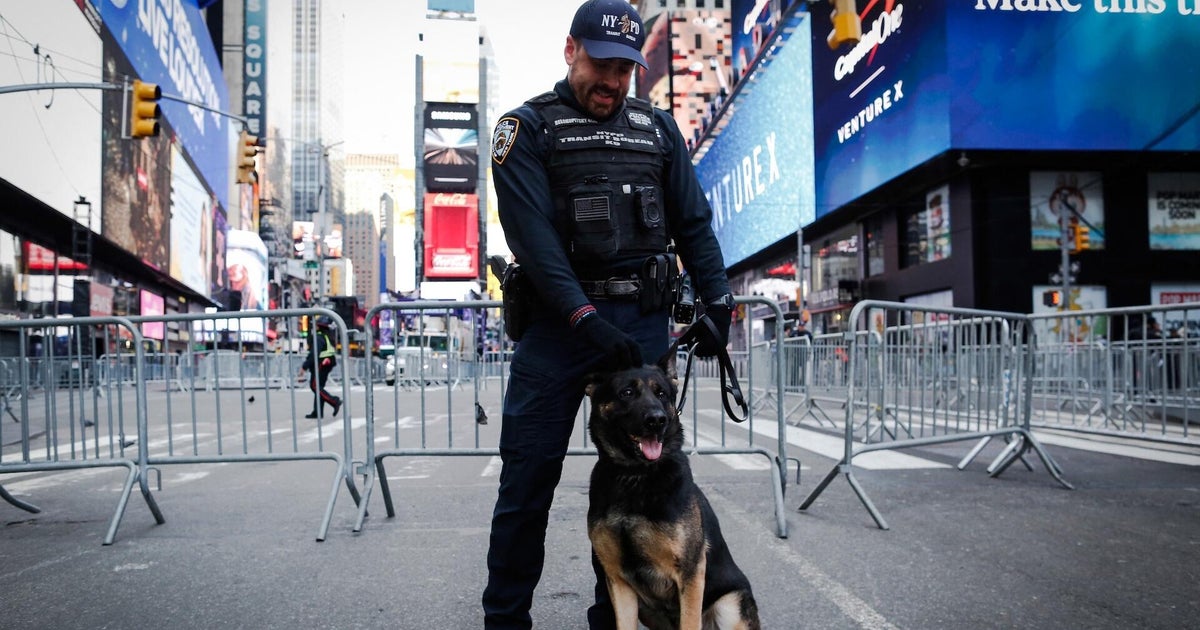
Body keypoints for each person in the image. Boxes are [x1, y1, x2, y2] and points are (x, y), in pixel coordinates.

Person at [482, 1, 733, 627]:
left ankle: (611, 620)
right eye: (601, 64)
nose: (612, 82)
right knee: (525, 486)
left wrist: (719, 300)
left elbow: (694, 224)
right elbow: (533, 242)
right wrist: (584, 319)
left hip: (643, 329)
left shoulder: (657, 130)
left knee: (643, 487)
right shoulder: (526, 129)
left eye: (625, 69)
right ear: (571, 51)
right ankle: (505, 620)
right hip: (557, 330)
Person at [297, 315, 341, 419]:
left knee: (315, 386)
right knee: (319, 387)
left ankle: (334, 401)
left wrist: (304, 366)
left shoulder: (318, 337)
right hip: (327, 363)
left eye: (316, 325)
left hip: (321, 364)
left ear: (319, 326)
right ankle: (317, 412)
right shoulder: (327, 336)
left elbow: (314, 354)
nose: (314, 326)